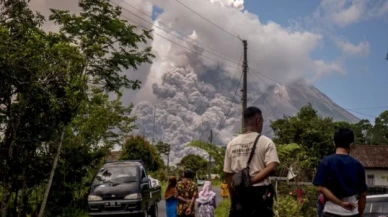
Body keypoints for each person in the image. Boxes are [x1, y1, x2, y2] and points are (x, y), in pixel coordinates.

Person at [223, 106, 280, 217]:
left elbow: (228, 175)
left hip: (239, 195)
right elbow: (272, 167)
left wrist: (233, 200)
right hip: (260, 196)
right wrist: (251, 181)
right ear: (258, 121)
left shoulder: (231, 144)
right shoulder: (266, 142)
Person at [313, 128, 367, 217]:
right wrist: (360, 214)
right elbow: (363, 194)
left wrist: (341, 203)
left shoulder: (326, 162)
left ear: (334, 144)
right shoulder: (358, 165)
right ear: (351, 145)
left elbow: (321, 188)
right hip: (352, 212)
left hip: (331, 211)